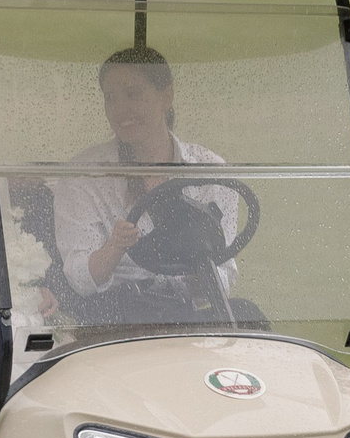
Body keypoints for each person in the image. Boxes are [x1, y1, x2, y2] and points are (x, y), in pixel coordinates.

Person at [51, 46, 241, 321]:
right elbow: (80, 278)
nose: (120, 110)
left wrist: (196, 266)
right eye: (111, 98)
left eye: (133, 94)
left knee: (249, 316)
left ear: (166, 96)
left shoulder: (209, 169)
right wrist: (114, 247)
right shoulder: (84, 174)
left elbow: (225, 272)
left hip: (184, 313)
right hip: (114, 317)